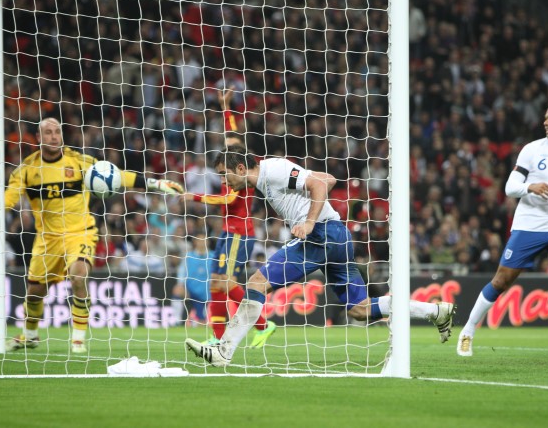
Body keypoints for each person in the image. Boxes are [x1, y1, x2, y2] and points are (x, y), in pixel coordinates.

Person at [185, 144, 456, 366]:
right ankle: (435, 310)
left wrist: (310, 222)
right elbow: (328, 179)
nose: (224, 182)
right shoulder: (267, 178)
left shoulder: (275, 170)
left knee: (256, 283)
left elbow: (318, 185)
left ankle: (223, 352)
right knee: (359, 310)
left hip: (320, 235)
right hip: (337, 237)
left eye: (224, 175)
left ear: (241, 168)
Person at [0, 117, 184, 353]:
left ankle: (78, 340)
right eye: (48, 133)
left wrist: (154, 184)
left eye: (57, 132)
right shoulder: (27, 170)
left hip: (80, 233)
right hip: (48, 239)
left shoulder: (79, 162)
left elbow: (117, 176)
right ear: (39, 138)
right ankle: (30, 335)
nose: (54, 137)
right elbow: (8, 201)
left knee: (78, 276)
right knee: (34, 292)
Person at [456, 99, 548, 359]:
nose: (545, 122)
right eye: (545, 118)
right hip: (529, 225)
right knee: (501, 280)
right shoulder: (532, 150)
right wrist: (529, 187)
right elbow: (509, 187)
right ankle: (467, 331)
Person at [181, 88, 276, 347]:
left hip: (240, 233)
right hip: (226, 232)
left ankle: (263, 324)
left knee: (226, 282)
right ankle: (218, 338)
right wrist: (225, 108)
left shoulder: (239, 174)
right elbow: (231, 135)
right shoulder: (228, 163)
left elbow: (228, 200)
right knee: (215, 283)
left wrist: (195, 197)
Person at [171, 233, 213, 326]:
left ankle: (200, 317)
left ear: (208, 242)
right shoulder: (189, 256)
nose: (202, 242)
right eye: (199, 240)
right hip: (191, 291)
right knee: (177, 289)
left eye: (204, 240)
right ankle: (176, 321)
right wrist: (181, 284)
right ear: (195, 242)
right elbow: (182, 272)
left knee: (202, 324)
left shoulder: (213, 257)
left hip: (208, 293)